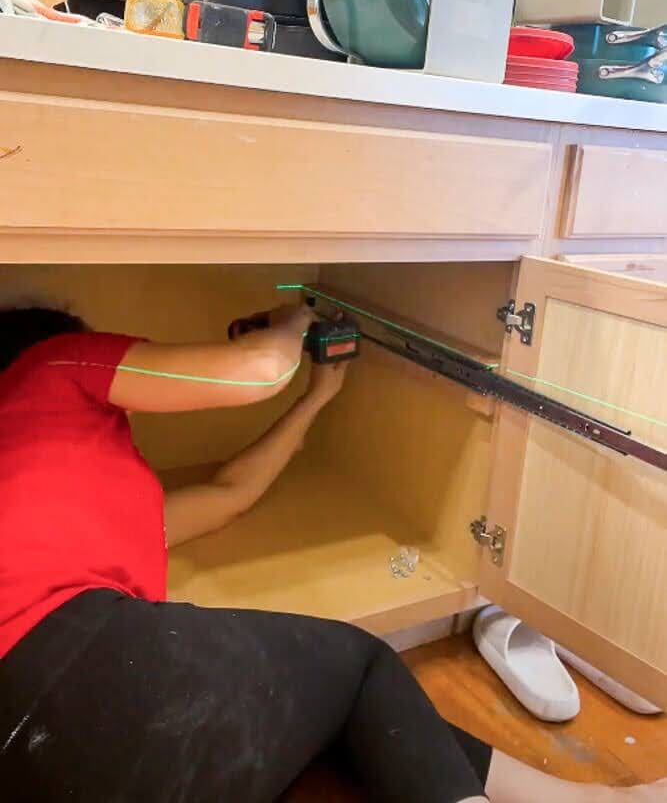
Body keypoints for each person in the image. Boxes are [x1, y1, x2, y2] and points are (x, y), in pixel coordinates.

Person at [0, 304, 664, 803]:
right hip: (70, 667)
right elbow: (258, 370)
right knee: (355, 667)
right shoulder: (47, 364)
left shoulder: (65, 496)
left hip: (37, 746)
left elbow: (229, 495)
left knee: (349, 718)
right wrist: (292, 323)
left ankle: (592, 799)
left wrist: (319, 395)